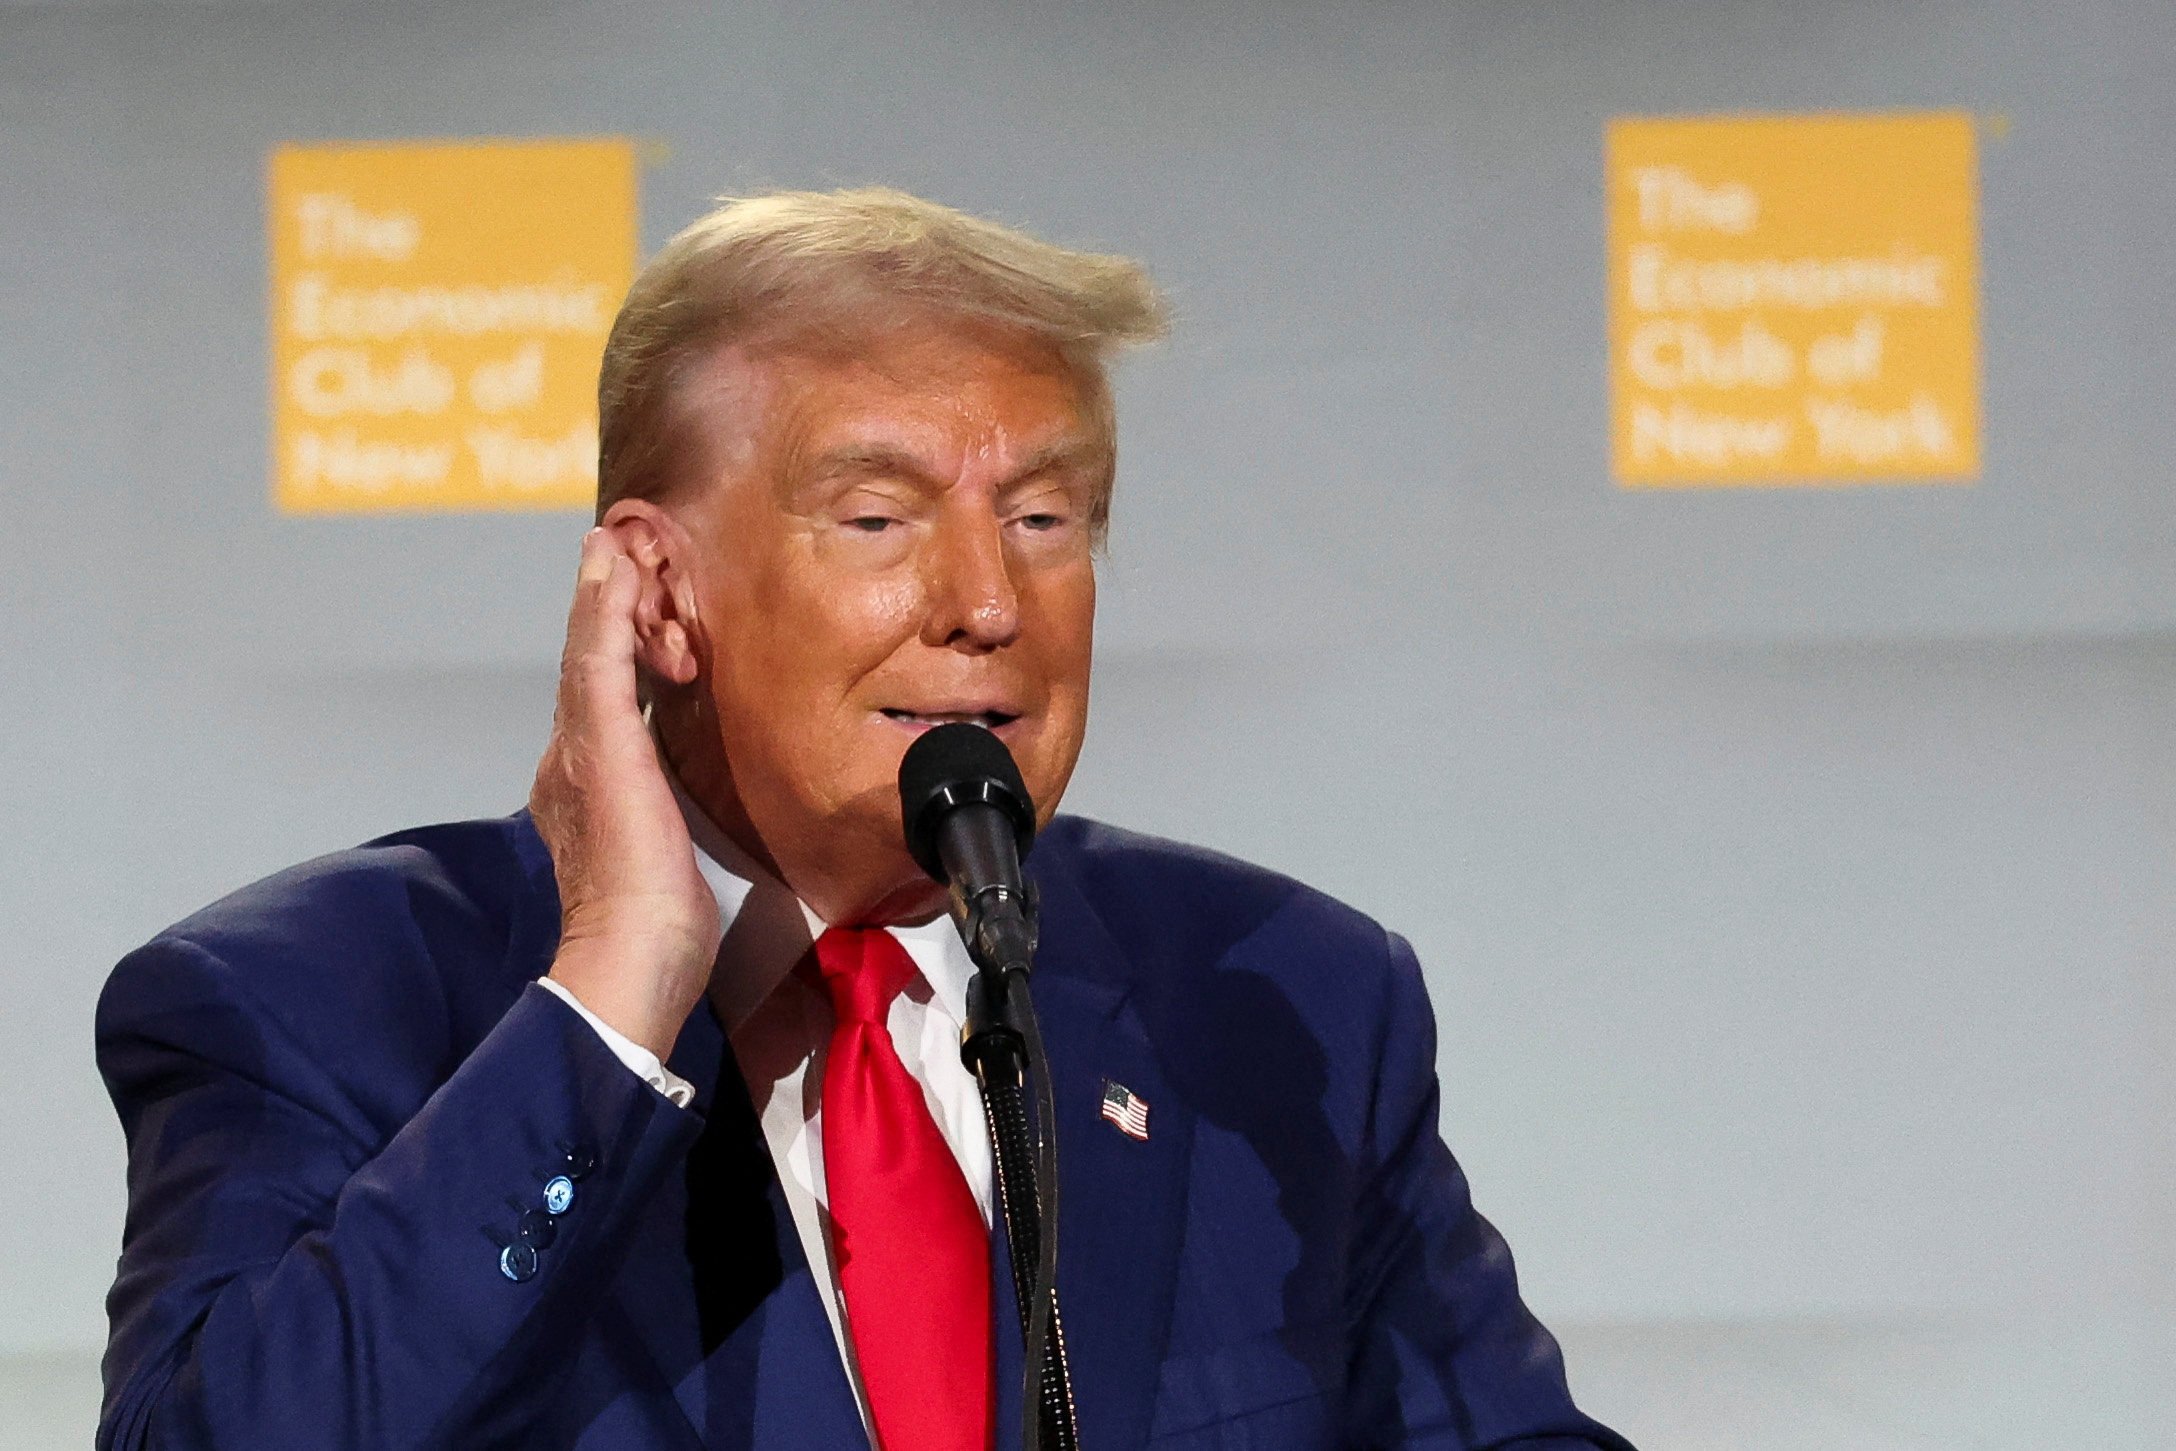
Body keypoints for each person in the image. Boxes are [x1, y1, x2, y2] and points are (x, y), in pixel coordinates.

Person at [95, 187, 1634, 1451]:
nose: (986, 604)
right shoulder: (312, 1004)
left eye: (1045, 519)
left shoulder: (1279, 999)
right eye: (880, 519)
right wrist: (621, 980)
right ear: (660, 589)